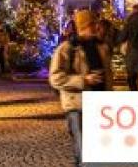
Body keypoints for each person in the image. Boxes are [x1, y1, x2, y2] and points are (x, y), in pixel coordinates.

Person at [50, 9, 113, 167]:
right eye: (94, 24)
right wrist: (83, 80)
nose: (97, 27)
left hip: (100, 105)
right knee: (84, 151)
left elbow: (108, 75)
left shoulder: (102, 47)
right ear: (84, 26)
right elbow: (55, 78)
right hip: (77, 106)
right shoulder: (66, 49)